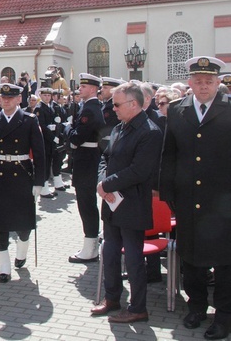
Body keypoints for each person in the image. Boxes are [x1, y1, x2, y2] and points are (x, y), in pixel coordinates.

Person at [159, 56, 231, 340]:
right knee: (191, 258)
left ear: (218, 83)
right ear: (190, 83)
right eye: (198, 81)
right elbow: (170, 153)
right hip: (188, 198)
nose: (203, 86)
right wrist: (167, 193)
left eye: (209, 82)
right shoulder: (177, 110)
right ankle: (197, 306)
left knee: (224, 262)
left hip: (223, 203)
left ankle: (224, 316)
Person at [91, 82, 162, 323]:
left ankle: (137, 308)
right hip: (111, 204)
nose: (113, 108)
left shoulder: (150, 132)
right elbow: (105, 157)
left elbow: (139, 171)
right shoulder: (121, 126)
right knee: (109, 252)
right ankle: (112, 298)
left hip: (132, 204)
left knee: (133, 258)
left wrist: (107, 185)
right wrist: (103, 183)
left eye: (117, 104)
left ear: (133, 104)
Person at [0, 83, 46, 281]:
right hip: (0, 175)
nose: (5, 100)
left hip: (22, 174)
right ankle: (3, 266)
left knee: (23, 223)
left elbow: (39, 153)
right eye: (2, 97)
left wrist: (40, 182)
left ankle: (22, 251)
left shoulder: (29, 121)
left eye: (10, 97)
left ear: (19, 99)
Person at [64, 73, 105, 263]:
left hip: (87, 160)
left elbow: (76, 137)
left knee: (86, 204)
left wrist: (66, 130)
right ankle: (91, 244)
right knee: (86, 204)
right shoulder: (89, 107)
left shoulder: (90, 110)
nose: (80, 89)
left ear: (94, 89)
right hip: (87, 158)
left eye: (84, 87)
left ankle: (90, 248)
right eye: (80, 86)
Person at [99, 77, 122, 154]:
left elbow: (106, 127)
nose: (101, 90)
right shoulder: (106, 104)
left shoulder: (111, 106)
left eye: (105, 88)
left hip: (109, 143)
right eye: (102, 87)